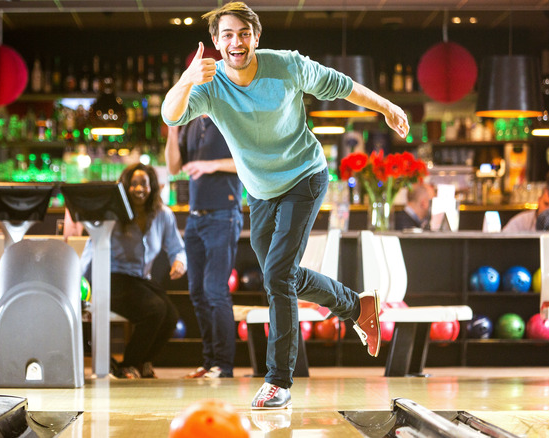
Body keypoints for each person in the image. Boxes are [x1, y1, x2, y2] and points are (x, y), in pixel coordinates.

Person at [162, 1, 410, 409]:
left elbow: (342, 84)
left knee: (277, 274)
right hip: (260, 191)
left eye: (243, 33)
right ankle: (357, 305)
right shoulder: (208, 86)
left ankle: (279, 381)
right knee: (282, 273)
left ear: (256, 37)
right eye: (227, 35)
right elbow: (171, 116)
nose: (236, 42)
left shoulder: (287, 66)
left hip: (305, 177)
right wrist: (187, 79)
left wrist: (387, 107)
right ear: (216, 42)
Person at [79, 163, 187, 379]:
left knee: (171, 316)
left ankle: (143, 361)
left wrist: (179, 262)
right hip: (108, 277)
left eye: (144, 184)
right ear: (125, 188)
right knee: (155, 310)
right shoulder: (113, 214)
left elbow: (177, 248)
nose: (139, 189)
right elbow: (92, 248)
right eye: (134, 184)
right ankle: (129, 365)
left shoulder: (162, 214)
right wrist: (80, 282)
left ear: (152, 186)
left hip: (139, 280)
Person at [165, 116, 243, 379]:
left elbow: (249, 161)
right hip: (195, 218)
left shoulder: (230, 116)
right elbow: (173, 166)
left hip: (224, 213)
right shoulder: (192, 124)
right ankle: (210, 362)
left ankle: (224, 365)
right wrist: (173, 130)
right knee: (197, 291)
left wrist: (210, 166)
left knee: (215, 290)